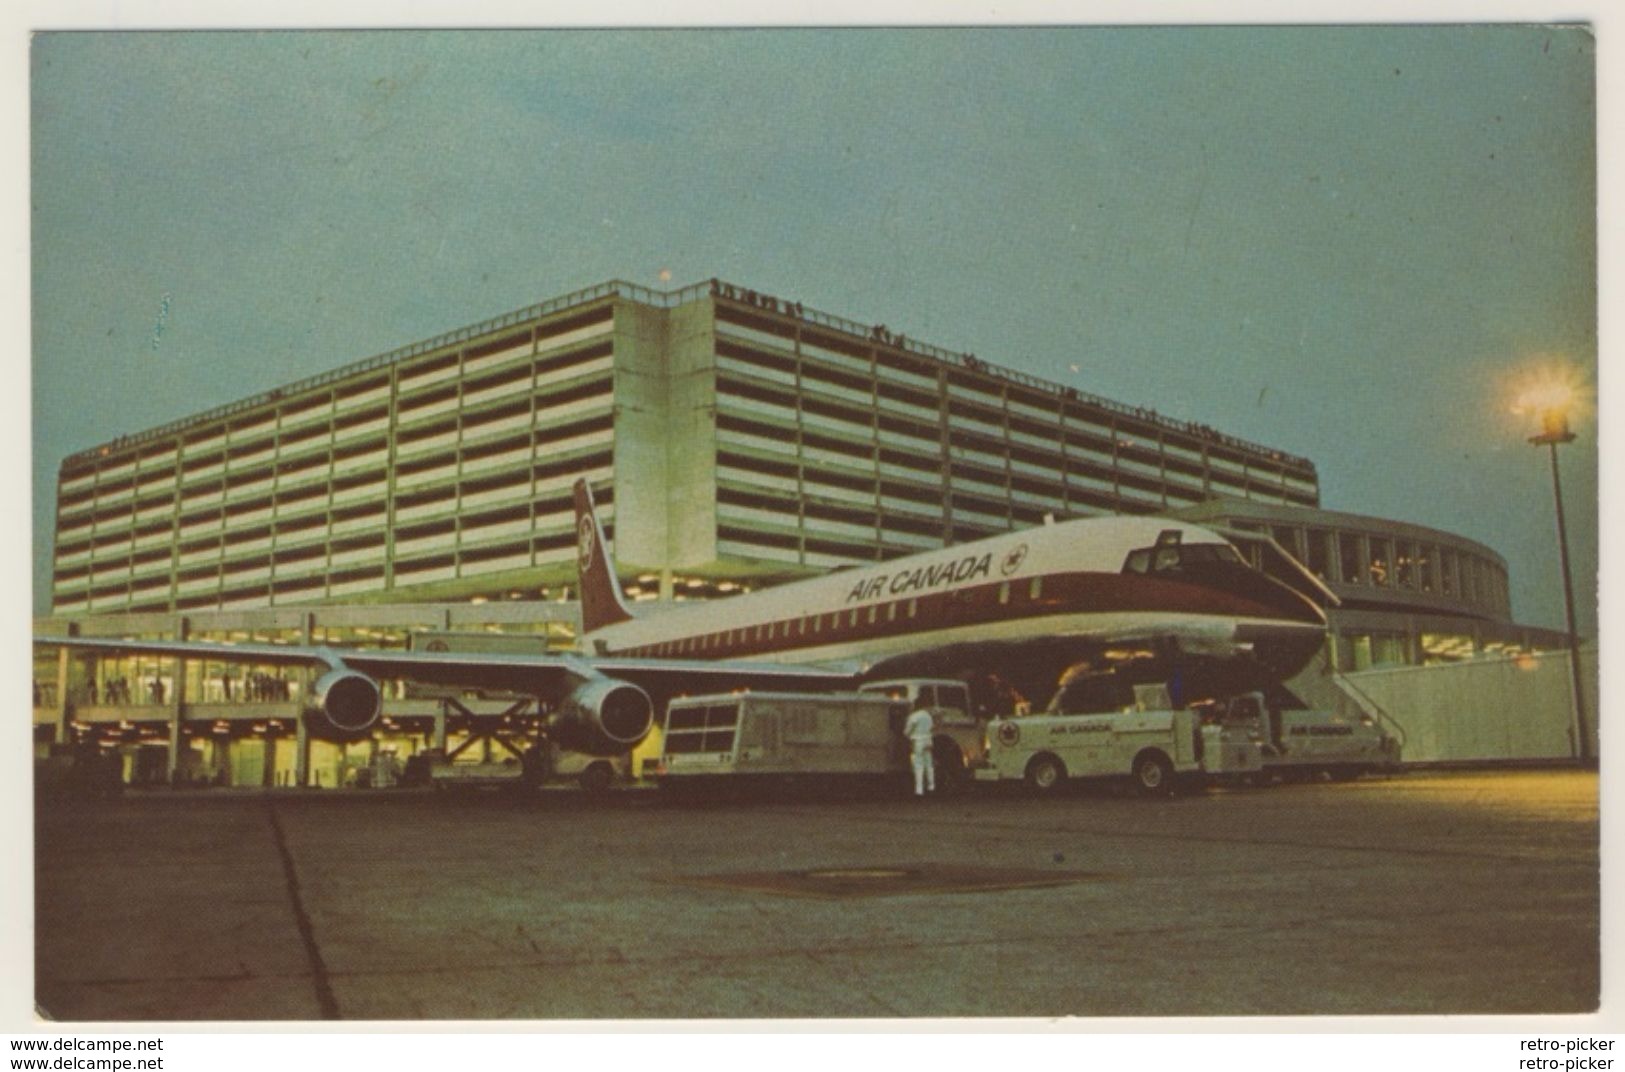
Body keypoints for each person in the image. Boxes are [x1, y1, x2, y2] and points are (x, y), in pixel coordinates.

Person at [904, 698, 935, 797]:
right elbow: (932, 728)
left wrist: (907, 734)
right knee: (929, 765)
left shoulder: (914, 716)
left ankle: (919, 790)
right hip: (928, 740)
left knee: (918, 766)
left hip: (918, 741)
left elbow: (907, 731)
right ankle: (931, 787)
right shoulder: (928, 716)